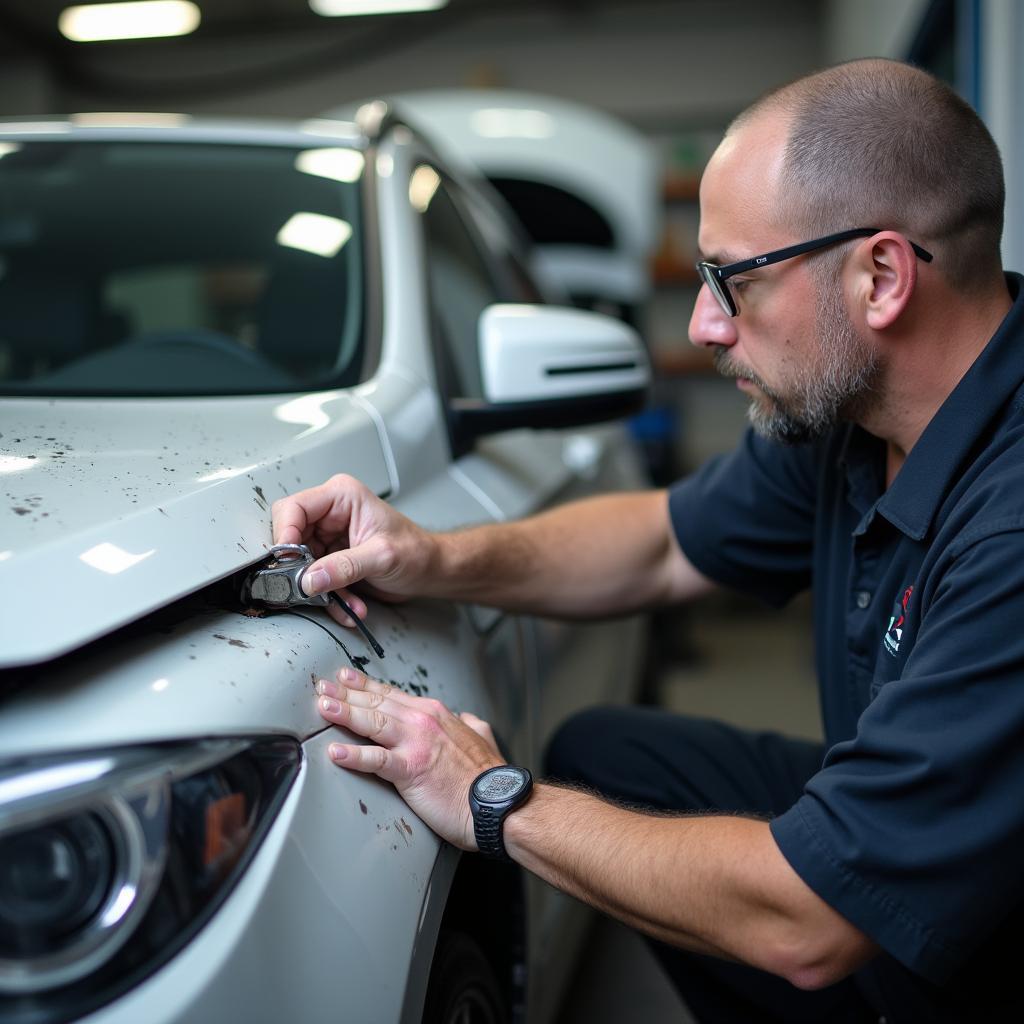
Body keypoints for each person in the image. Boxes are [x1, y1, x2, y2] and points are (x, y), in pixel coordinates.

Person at [272, 58, 1024, 1022]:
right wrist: (435, 555)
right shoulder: (859, 415)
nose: (706, 325)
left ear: (879, 276)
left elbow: (814, 919)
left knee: (778, 898)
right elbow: (663, 544)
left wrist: (491, 800)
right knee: (609, 762)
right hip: (922, 868)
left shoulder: (1008, 527)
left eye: (733, 280)